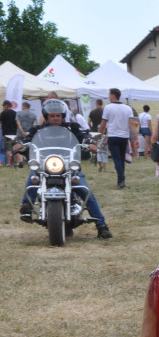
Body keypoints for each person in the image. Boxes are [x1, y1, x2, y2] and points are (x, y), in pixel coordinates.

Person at [17, 99, 112, 238]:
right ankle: (26, 207)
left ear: (63, 115)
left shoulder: (73, 127)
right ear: (47, 116)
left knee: (85, 191)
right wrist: (21, 144)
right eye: (52, 115)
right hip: (44, 165)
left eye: (58, 115)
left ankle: (102, 226)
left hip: (68, 166)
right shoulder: (38, 129)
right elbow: (28, 139)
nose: (56, 118)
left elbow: (83, 136)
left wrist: (89, 143)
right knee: (34, 177)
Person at [100, 88, 136, 189]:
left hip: (113, 136)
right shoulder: (127, 108)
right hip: (124, 136)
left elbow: (103, 124)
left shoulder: (108, 108)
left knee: (116, 159)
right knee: (121, 158)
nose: (108, 96)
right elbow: (132, 124)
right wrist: (136, 138)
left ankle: (121, 179)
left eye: (109, 94)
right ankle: (120, 180)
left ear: (113, 95)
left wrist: (99, 134)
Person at [1, 101, 17, 166]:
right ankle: (14, 163)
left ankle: (8, 163)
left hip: (7, 134)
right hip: (14, 133)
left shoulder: (3, 113)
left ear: (6, 105)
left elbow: (0, 121)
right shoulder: (15, 113)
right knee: (14, 149)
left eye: (4, 106)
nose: (3, 107)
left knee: (8, 149)